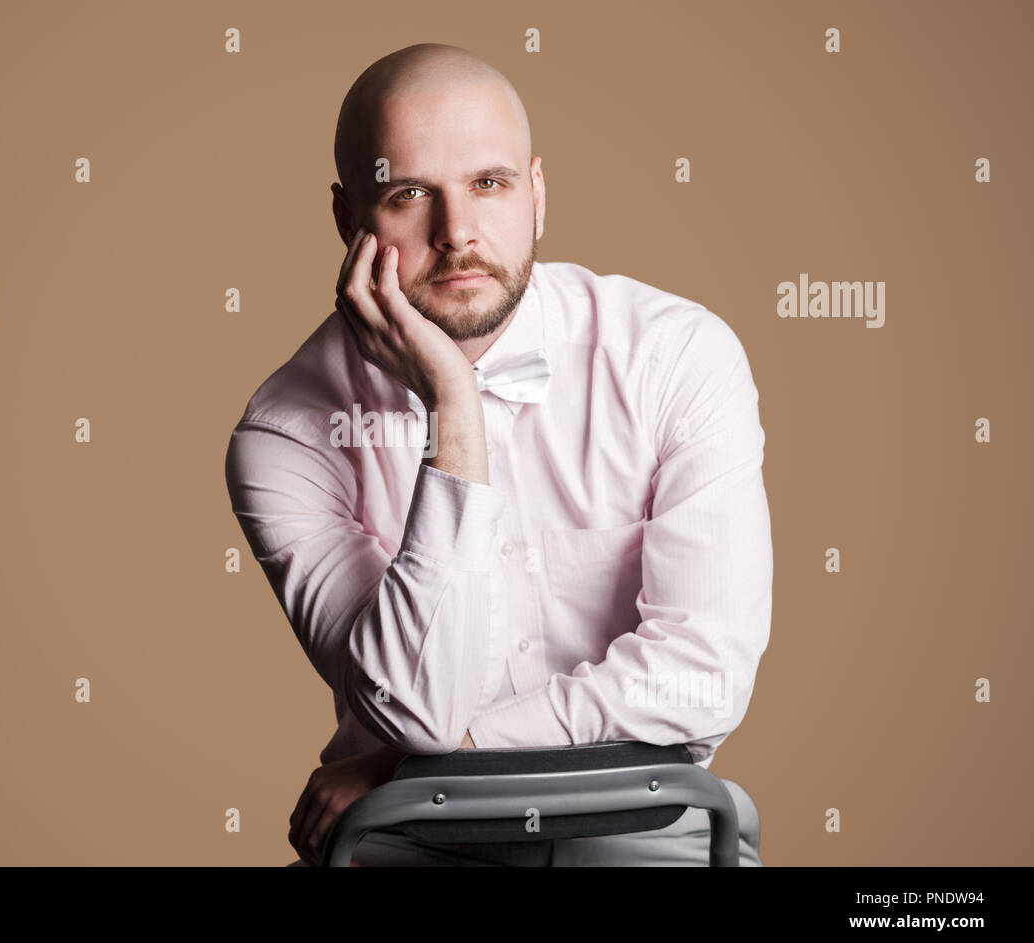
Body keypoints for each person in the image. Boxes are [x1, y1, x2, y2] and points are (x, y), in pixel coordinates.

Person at [224, 43, 772, 866]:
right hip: (413, 844)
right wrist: (456, 405)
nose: (458, 234)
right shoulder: (286, 434)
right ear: (349, 220)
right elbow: (413, 708)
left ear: (537, 194)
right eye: (409, 194)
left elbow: (701, 680)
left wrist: (425, 761)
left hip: (644, 832)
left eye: (489, 183)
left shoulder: (676, 355)